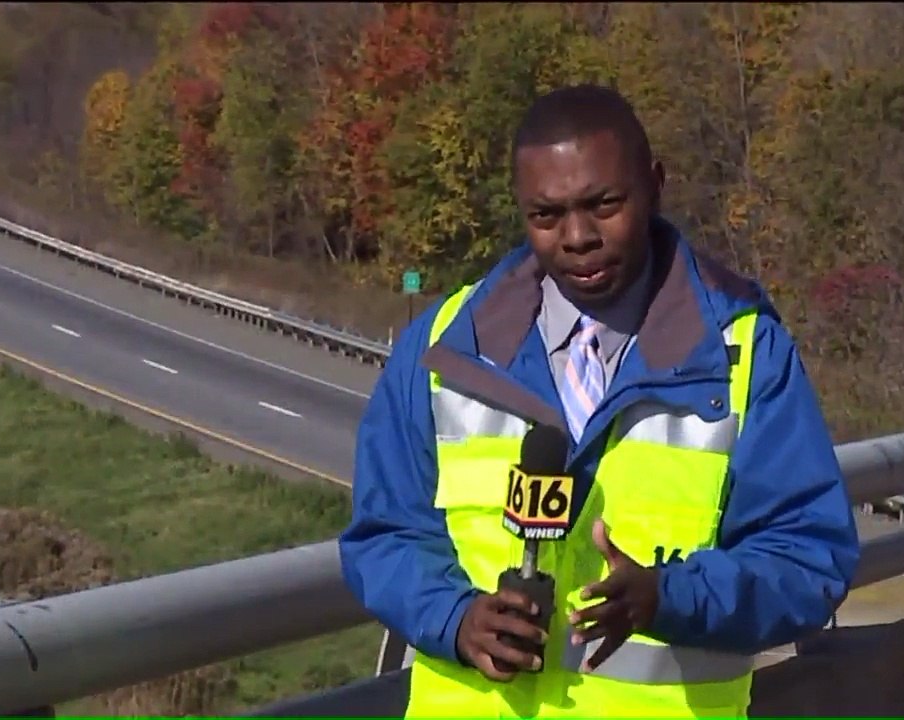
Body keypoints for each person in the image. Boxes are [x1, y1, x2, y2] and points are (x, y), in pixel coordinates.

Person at [338, 84, 860, 718]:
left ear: (655, 186)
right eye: (546, 216)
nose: (578, 236)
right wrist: (455, 617)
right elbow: (386, 534)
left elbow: (807, 560)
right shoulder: (445, 347)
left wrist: (669, 597)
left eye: (604, 205)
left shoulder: (747, 353)